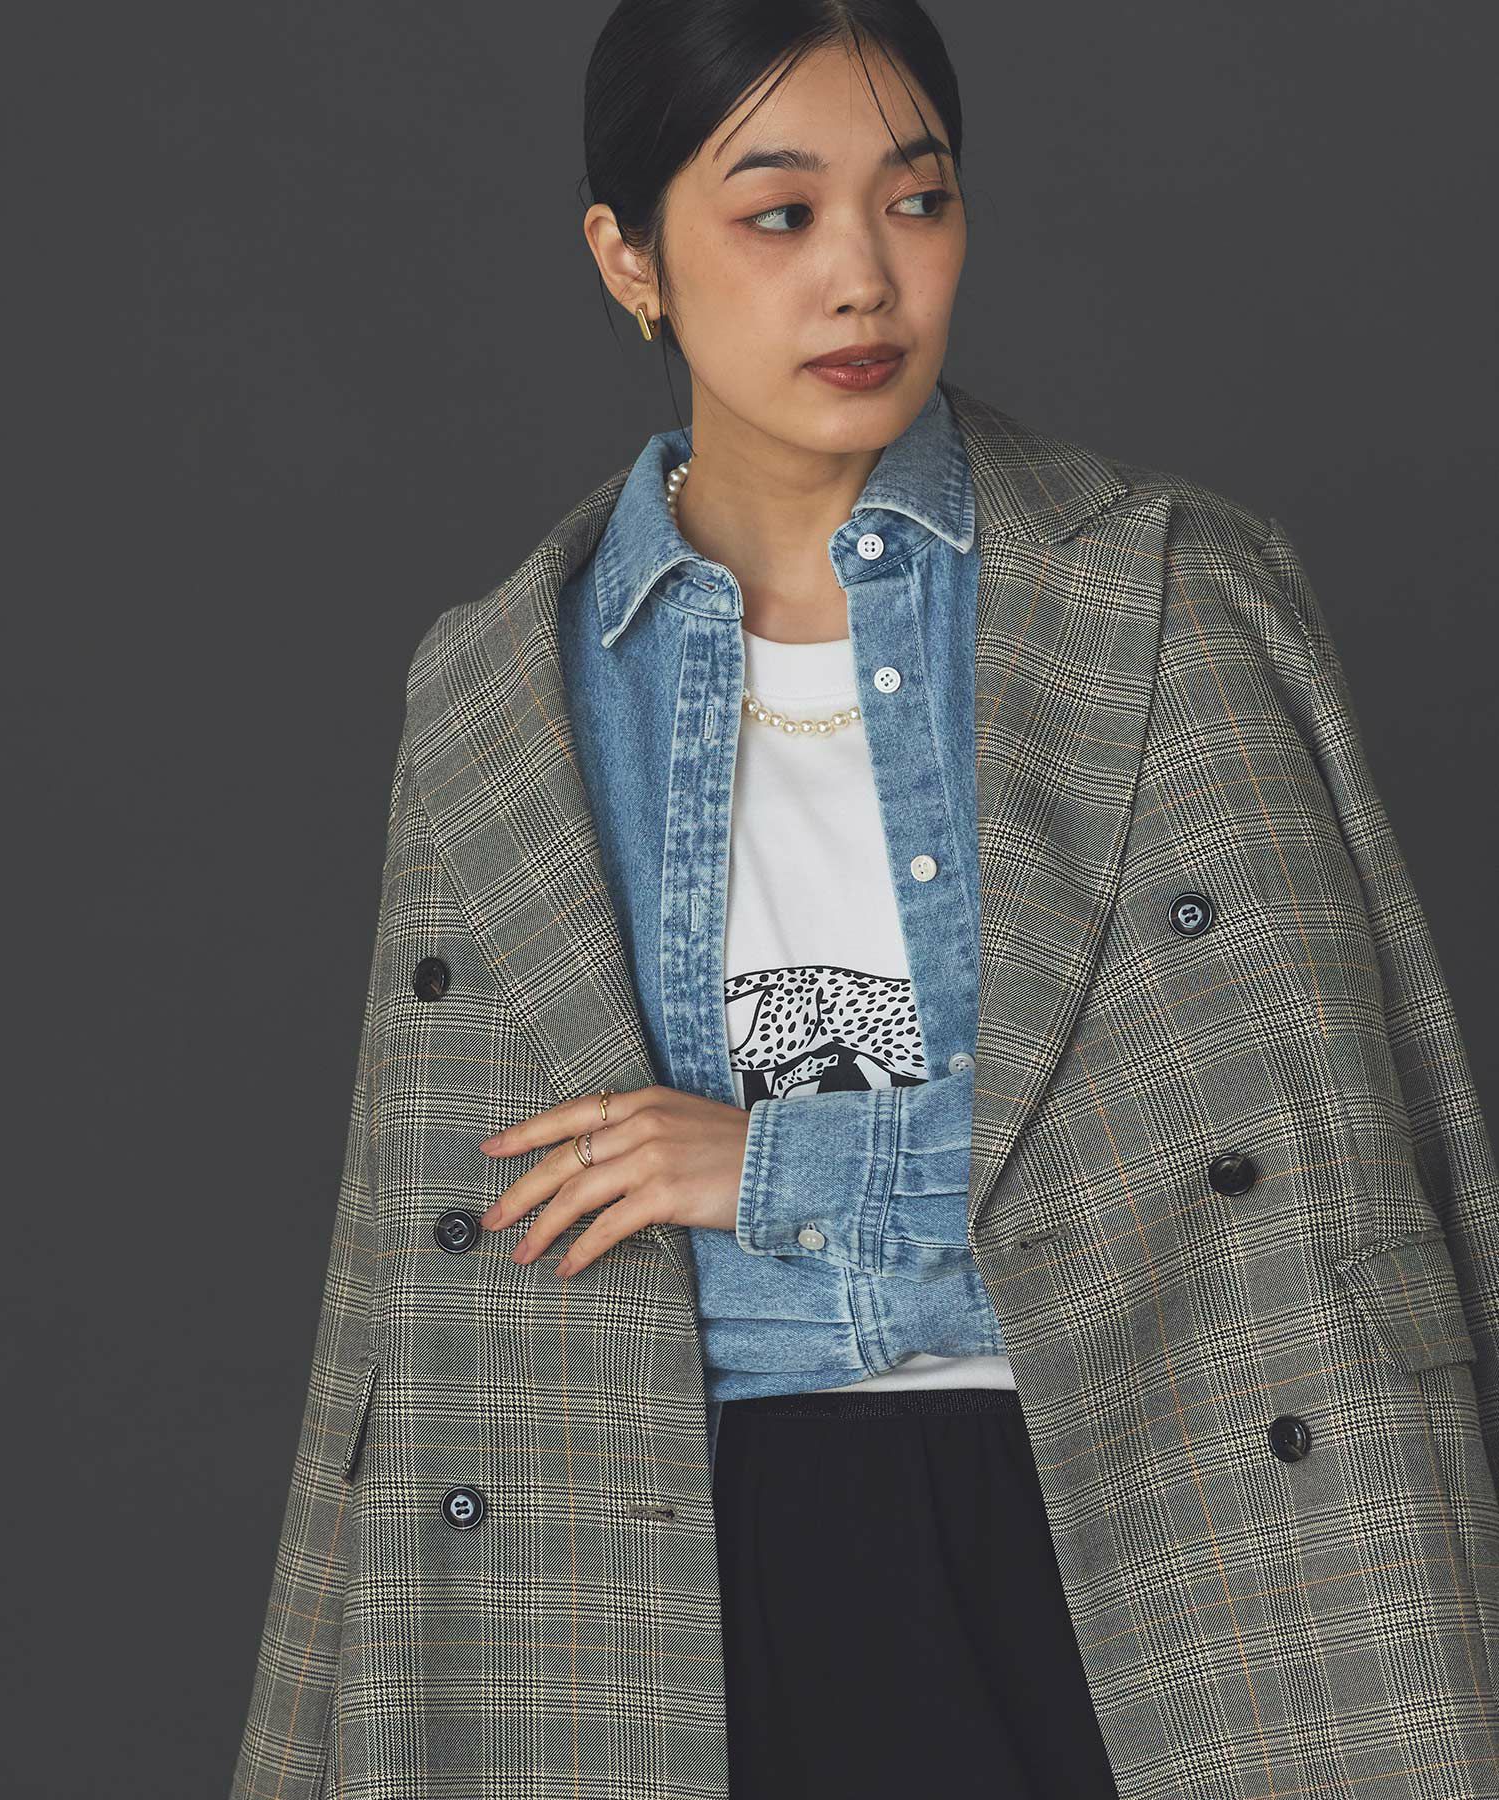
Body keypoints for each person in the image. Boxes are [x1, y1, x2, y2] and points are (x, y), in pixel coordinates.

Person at [231, 4, 1499, 1798]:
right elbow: (404, 1294)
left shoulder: (1168, 597)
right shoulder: (500, 692)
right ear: (628, 259)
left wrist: (778, 1167)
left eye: (916, 201)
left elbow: (1291, 1169)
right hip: (665, 1591)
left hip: (1167, 1539)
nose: (864, 278)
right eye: (780, 213)